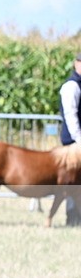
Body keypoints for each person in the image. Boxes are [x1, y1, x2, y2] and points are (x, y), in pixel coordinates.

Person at [59, 52, 81, 227]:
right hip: (74, 143)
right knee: (74, 182)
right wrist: (79, 141)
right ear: (76, 63)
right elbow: (70, 116)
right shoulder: (72, 86)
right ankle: (72, 218)